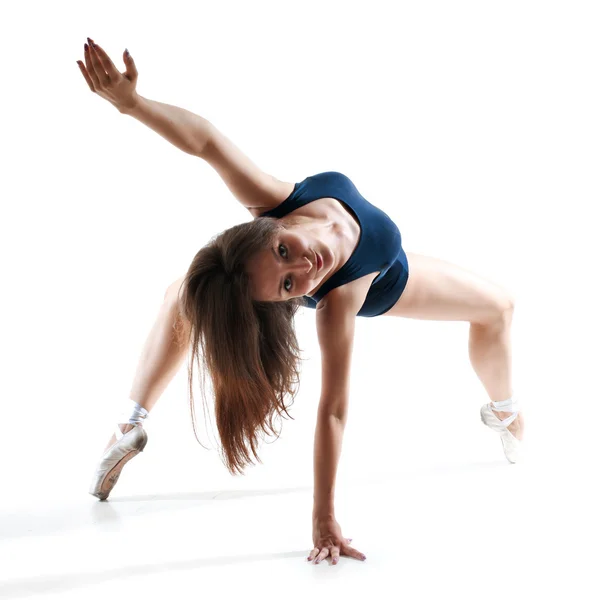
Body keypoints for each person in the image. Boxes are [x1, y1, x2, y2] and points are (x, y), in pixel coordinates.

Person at [77, 39, 524, 566]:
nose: (304, 269)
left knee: (190, 289)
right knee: (497, 308)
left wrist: (134, 105)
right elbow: (332, 411)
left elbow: (206, 141)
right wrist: (323, 516)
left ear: (272, 224)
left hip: (370, 254)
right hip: (386, 280)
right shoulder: (339, 298)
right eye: (291, 286)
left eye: (285, 253)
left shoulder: (274, 197)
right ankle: (509, 415)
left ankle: (129, 423)